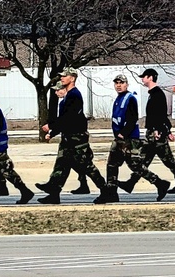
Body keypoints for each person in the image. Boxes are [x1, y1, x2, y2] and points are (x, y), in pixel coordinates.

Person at [35, 68, 117, 204]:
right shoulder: (68, 96)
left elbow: (69, 117)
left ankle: (106, 191)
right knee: (61, 164)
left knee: (87, 166)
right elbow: (65, 118)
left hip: (77, 138)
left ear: (72, 78)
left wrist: (51, 126)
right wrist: (53, 131)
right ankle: (54, 192)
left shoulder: (74, 95)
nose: (62, 78)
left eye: (64, 76)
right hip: (68, 136)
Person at [119, 68, 175, 194]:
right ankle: (131, 183)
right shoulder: (153, 94)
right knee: (144, 159)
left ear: (150, 77)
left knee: (167, 160)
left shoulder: (157, 94)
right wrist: (168, 131)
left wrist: (160, 130)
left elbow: (160, 115)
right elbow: (162, 115)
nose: (142, 79)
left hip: (156, 134)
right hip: (153, 132)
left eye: (144, 77)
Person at [104, 74, 170, 201]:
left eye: (121, 83)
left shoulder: (130, 99)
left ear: (126, 84)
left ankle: (160, 183)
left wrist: (123, 133)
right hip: (119, 139)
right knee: (112, 165)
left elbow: (132, 118)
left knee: (136, 166)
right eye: (116, 83)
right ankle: (112, 192)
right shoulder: (118, 99)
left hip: (129, 139)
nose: (118, 85)